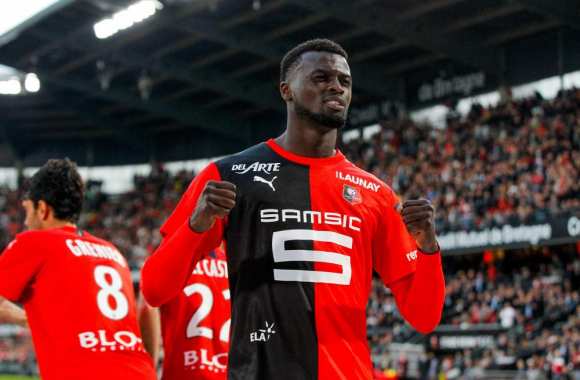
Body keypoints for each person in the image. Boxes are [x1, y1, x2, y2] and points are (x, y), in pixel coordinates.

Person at [142, 38, 445, 379]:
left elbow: (424, 316)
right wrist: (197, 225)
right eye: (321, 78)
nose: (336, 87)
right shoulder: (228, 176)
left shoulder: (375, 193)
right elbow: (155, 290)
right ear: (286, 90)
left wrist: (428, 248)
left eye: (344, 81)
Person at [0, 159, 156, 380]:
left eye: (27, 211)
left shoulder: (34, 242)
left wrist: (24, 318)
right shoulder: (112, 252)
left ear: (42, 209)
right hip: (141, 372)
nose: (26, 222)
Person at [152, 244, 230, 379]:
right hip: (229, 372)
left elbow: (148, 307)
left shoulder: (172, 260)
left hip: (184, 372)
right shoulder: (233, 265)